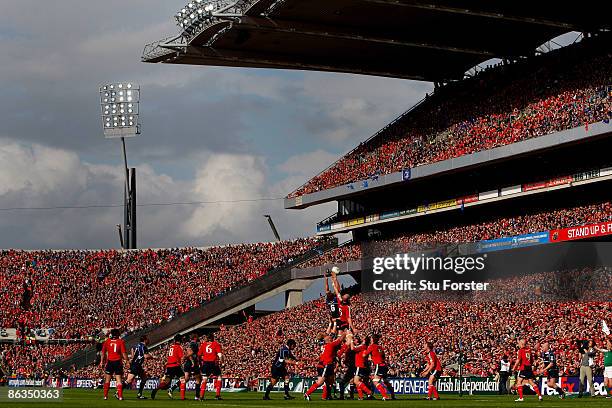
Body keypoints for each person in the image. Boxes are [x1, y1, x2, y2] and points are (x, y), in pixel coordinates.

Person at [304, 332, 346, 401]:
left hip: (326, 364)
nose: (331, 337)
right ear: (327, 340)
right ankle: (307, 394)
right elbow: (340, 339)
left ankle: (325, 397)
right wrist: (346, 332)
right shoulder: (330, 344)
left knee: (329, 382)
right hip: (325, 365)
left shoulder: (326, 345)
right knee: (321, 381)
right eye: (329, 337)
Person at [151, 335, 185, 400]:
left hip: (169, 366)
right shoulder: (179, 347)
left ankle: (156, 389)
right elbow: (182, 358)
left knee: (166, 383)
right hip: (175, 365)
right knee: (183, 378)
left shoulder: (171, 347)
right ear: (180, 340)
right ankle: (175, 392)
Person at [99, 328, 129, 401]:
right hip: (118, 362)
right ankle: (120, 397)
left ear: (111, 334)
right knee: (119, 380)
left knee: (107, 380)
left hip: (110, 362)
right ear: (118, 334)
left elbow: (103, 352)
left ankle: (105, 396)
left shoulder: (107, 341)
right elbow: (124, 353)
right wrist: (127, 361)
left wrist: (101, 362)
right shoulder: (120, 341)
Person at [365, 333, 395, 400]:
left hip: (379, 365)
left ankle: (385, 396)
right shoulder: (380, 347)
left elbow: (364, 355)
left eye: (371, 338)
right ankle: (393, 395)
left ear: (372, 339)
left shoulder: (372, 346)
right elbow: (383, 356)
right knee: (386, 382)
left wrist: (370, 358)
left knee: (375, 381)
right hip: (384, 365)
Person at [125, 335, 152, 399]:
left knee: (144, 378)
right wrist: (152, 357)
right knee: (129, 380)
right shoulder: (144, 347)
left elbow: (132, 349)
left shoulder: (138, 345)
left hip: (136, 364)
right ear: (145, 340)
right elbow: (146, 356)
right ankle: (118, 392)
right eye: (147, 339)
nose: (148, 340)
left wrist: (132, 357)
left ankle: (139, 394)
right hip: (136, 365)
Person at [198, 333, 223, 400]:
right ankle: (217, 395)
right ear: (212, 338)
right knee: (219, 376)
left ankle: (201, 396)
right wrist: (222, 361)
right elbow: (220, 355)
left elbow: (199, 355)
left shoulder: (203, 345)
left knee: (204, 379)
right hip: (213, 363)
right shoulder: (216, 344)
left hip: (205, 363)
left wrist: (200, 362)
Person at [329, 267, 354, 333]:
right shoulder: (341, 301)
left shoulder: (345, 306)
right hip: (340, 322)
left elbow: (349, 318)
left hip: (344, 323)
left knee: (346, 335)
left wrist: (334, 280)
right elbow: (337, 290)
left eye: (344, 296)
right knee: (340, 335)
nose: (343, 295)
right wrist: (334, 280)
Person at [351, 335, 373, 400]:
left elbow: (353, 348)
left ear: (364, 340)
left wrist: (351, 339)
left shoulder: (362, 346)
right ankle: (361, 396)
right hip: (362, 366)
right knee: (359, 382)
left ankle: (369, 392)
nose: (361, 338)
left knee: (356, 381)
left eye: (363, 338)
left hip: (359, 365)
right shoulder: (365, 347)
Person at [184, 333, 202, 400]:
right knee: (198, 379)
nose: (198, 338)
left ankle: (172, 388)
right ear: (195, 337)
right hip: (193, 363)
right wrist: (192, 361)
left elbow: (188, 352)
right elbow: (190, 353)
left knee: (186, 378)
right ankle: (197, 396)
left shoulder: (188, 343)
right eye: (197, 337)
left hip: (188, 363)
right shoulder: (194, 344)